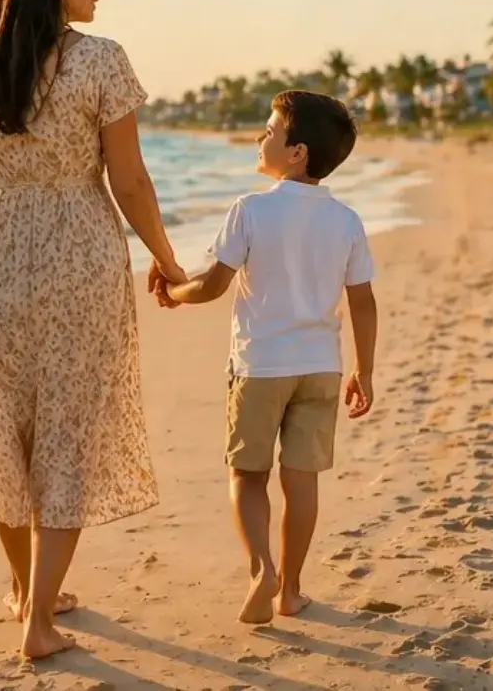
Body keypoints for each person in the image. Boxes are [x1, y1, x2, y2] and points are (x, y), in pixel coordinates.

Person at [0, 0, 188, 661]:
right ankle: (37, 619)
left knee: (4, 433)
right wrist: (167, 260)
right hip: (78, 245)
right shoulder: (100, 62)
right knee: (67, 435)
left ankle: (24, 591)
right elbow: (129, 179)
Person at [157, 90, 379, 625]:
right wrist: (362, 370)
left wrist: (173, 289)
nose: (261, 138)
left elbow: (212, 285)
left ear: (297, 151)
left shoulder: (250, 210)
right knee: (302, 480)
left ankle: (262, 569)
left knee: (247, 474)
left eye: (270, 131)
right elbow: (363, 301)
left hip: (260, 366)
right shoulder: (346, 220)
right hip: (321, 366)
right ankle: (292, 590)